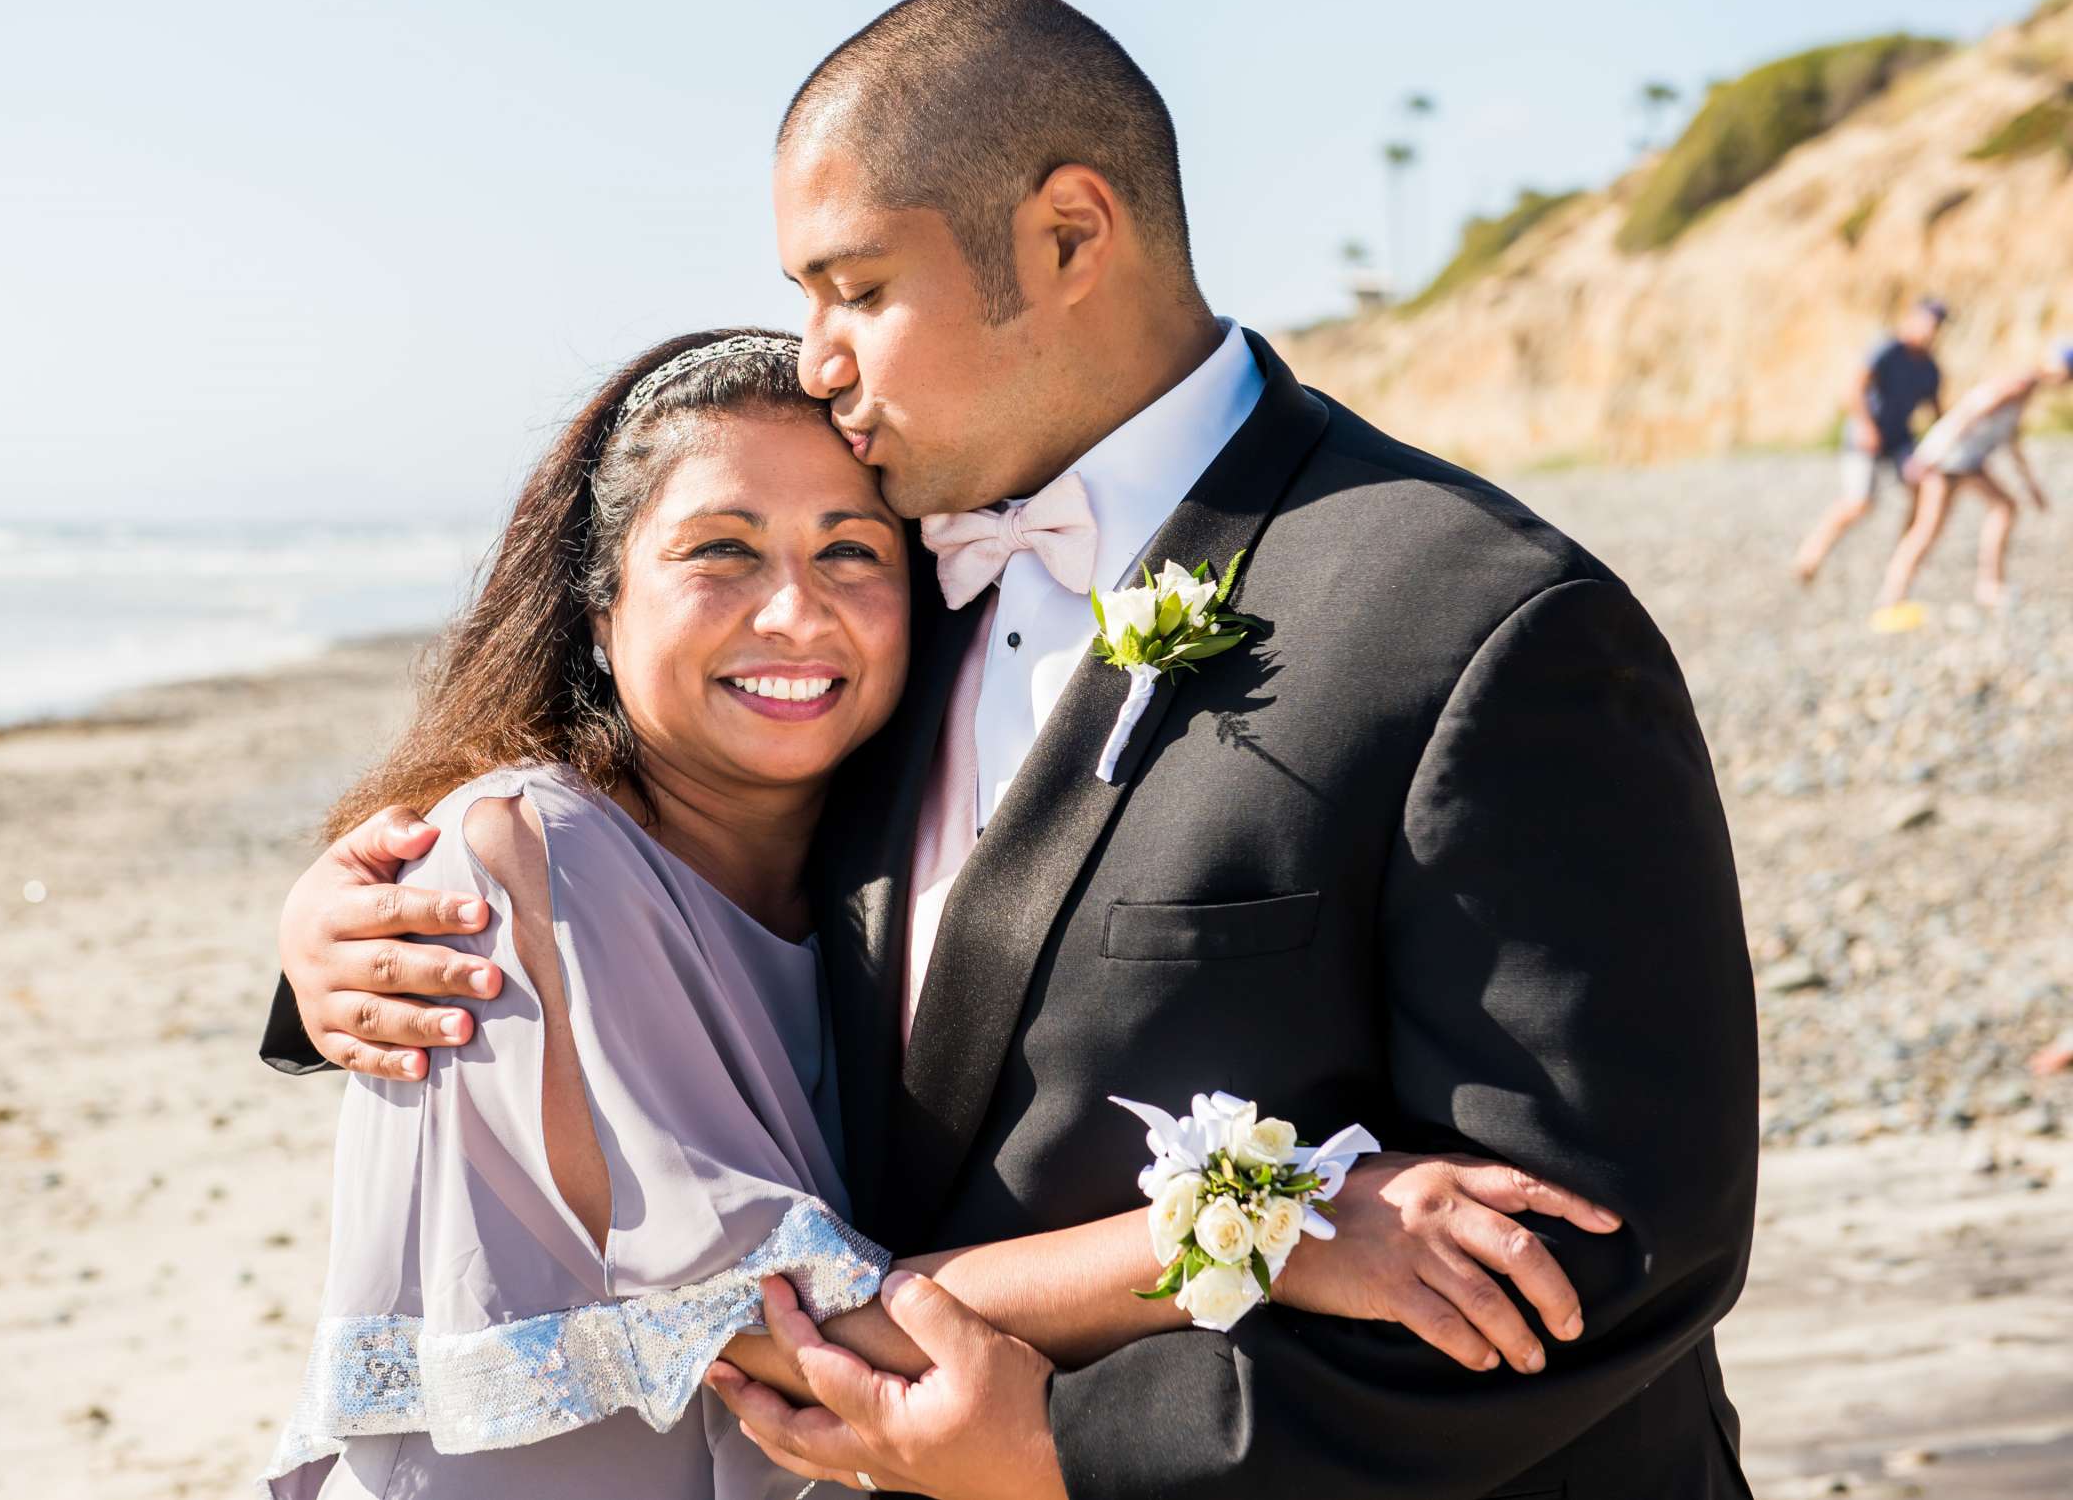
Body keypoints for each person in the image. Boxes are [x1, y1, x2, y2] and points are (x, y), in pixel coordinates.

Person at [264, 0, 1759, 1499]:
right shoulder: (879, 591)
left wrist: (1077, 1446)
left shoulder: (1483, 621)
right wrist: (358, 928)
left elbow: (1598, 1244)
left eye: (853, 286)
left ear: (1067, 233)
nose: (819, 356)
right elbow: (668, 868)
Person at [259, 329, 1618, 1500]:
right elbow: (794, 1327)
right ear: (601, 603)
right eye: (720, 552)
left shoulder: (864, 857)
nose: (795, 612)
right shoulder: (524, 854)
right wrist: (1286, 1219)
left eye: (852, 552)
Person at [1871, 344, 2066, 625]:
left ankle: (1990, 586)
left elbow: (2010, 437)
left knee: (2004, 508)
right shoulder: (2018, 385)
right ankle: (1890, 597)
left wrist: (2031, 485)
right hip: (1948, 462)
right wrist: (1931, 456)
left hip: (1967, 461)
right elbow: (1969, 413)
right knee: (1927, 529)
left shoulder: (2025, 389)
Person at [1793, 298, 1949, 584]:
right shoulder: (1888, 350)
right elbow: (1855, 387)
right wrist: (1865, 426)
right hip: (1866, 432)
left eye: (1936, 325)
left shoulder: (1930, 368)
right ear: (1913, 318)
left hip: (1899, 437)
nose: (1930, 330)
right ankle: (1811, 552)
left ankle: (1904, 553)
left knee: (1926, 484)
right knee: (1859, 502)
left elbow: (1938, 414)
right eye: (1927, 322)